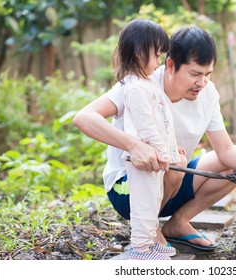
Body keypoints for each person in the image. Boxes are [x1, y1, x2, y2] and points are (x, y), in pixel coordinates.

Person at [73, 24, 236, 254]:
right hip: (130, 189)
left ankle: (178, 223)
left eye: (208, 74)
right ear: (170, 65)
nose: (202, 82)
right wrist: (134, 146)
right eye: (195, 74)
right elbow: (84, 117)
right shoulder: (141, 84)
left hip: (173, 179)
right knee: (175, 162)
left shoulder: (208, 93)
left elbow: (225, 151)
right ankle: (149, 229)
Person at [99, 18, 187, 260]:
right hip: (144, 160)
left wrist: (170, 147)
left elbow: (162, 122)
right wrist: (161, 150)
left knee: (155, 200)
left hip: (155, 156)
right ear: (139, 52)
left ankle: (150, 241)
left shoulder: (147, 83)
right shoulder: (135, 88)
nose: (159, 62)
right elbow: (146, 127)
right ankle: (140, 248)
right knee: (145, 204)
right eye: (157, 56)